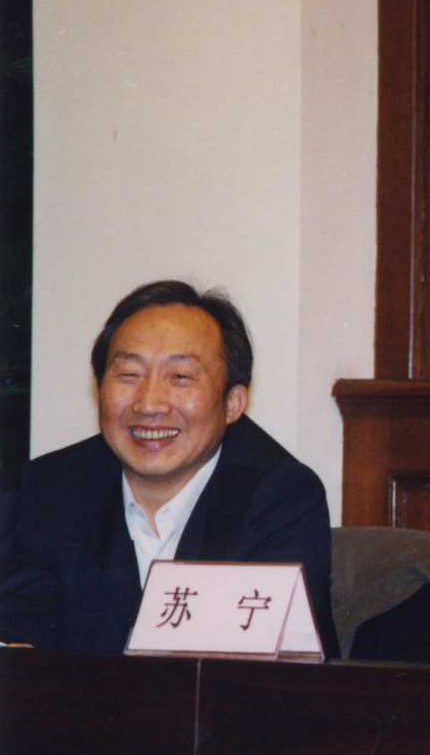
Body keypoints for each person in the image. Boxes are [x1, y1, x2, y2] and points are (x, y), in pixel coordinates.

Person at [0, 280, 340, 656]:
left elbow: (259, 668)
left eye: (180, 377)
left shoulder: (280, 496)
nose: (149, 404)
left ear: (233, 402)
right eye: (129, 375)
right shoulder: (52, 487)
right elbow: (22, 627)